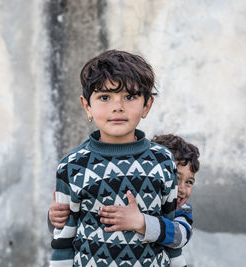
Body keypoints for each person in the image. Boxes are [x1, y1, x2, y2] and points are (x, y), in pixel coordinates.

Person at [49, 50, 178, 267]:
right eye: (105, 97)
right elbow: (62, 239)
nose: (117, 106)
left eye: (129, 97)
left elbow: (173, 236)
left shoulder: (163, 161)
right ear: (87, 106)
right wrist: (54, 219)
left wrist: (143, 223)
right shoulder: (72, 166)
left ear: (147, 106)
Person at [49, 134, 200, 267]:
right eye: (176, 179)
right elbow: (77, 224)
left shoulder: (183, 210)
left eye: (189, 182)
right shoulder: (129, 195)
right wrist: (55, 218)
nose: (181, 188)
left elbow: (180, 236)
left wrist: (142, 223)